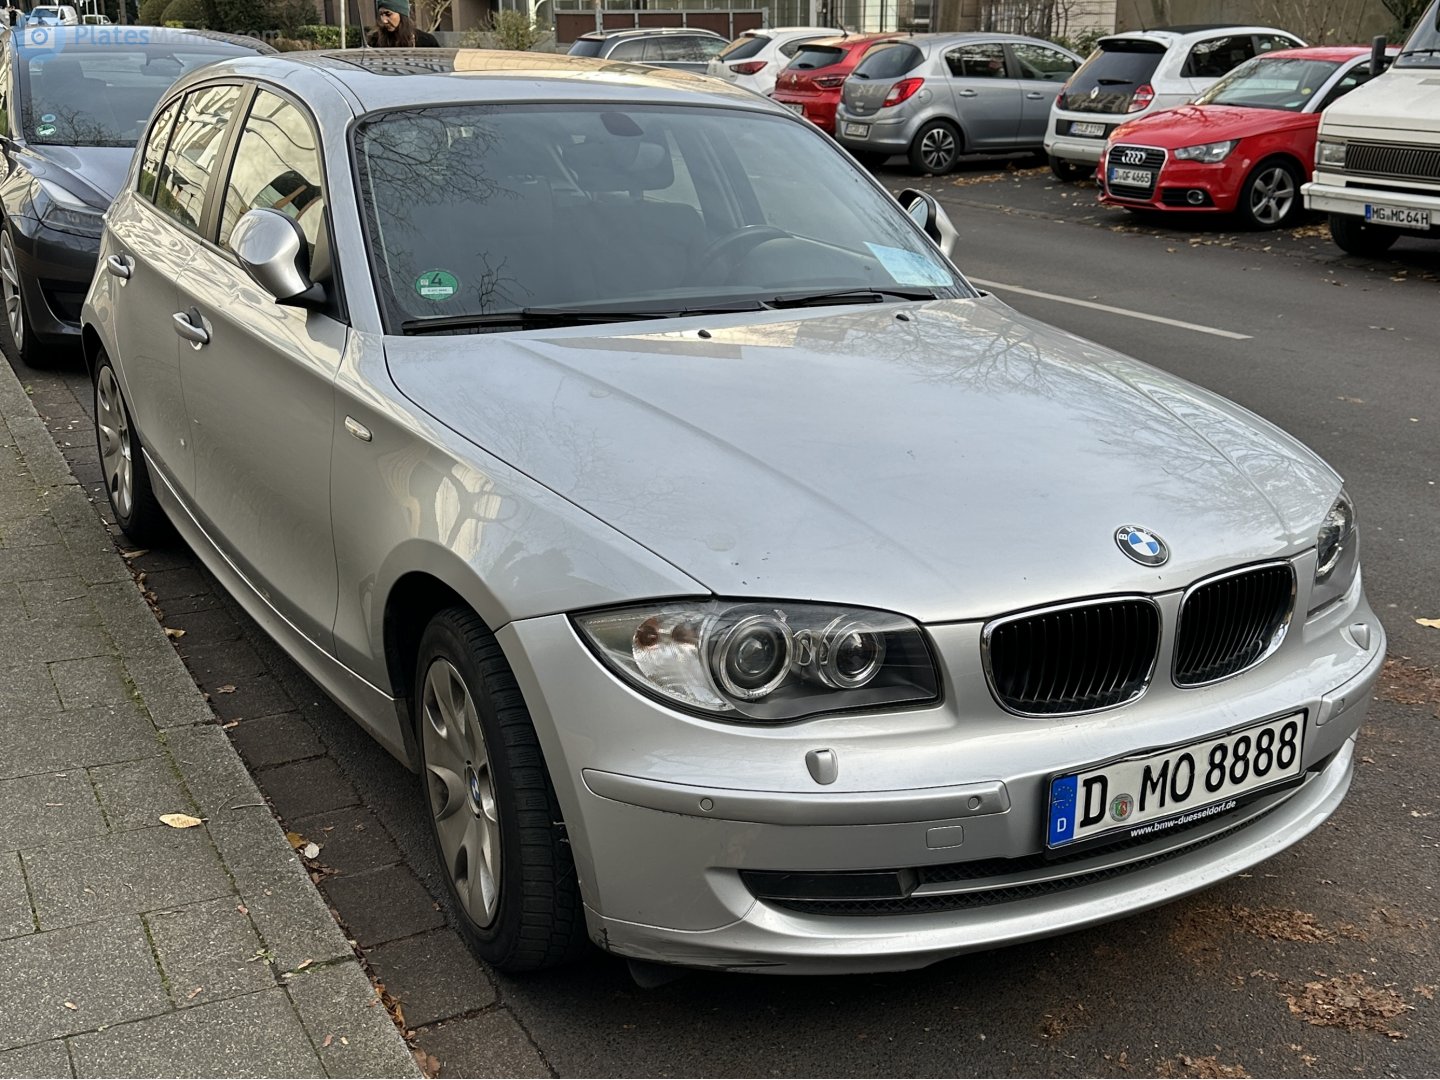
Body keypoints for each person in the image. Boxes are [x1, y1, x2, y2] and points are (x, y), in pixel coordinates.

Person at [366, 0, 438, 47]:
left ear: (402, 14)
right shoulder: (374, 41)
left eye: (388, 14)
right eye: (381, 14)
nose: (384, 21)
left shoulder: (427, 41)